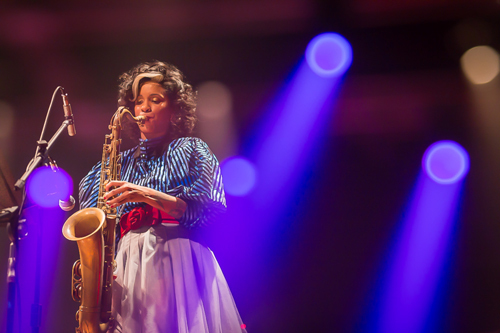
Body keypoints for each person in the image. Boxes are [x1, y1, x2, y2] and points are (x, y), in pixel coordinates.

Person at [78, 60, 246, 332]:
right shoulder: (116, 163)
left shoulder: (192, 149)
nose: (143, 107)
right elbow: (90, 220)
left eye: (155, 100)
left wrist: (146, 194)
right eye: (138, 101)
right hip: (127, 265)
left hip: (179, 256)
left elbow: (209, 210)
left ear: (175, 110)